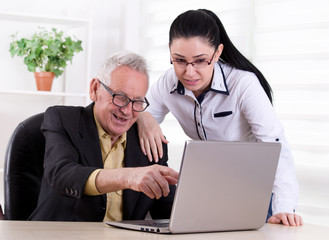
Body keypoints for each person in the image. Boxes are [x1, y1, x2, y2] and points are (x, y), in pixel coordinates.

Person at [137, 9, 303, 226]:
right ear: (170, 52)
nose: (189, 72)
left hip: (253, 192)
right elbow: (136, 111)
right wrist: (145, 117)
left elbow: (276, 146)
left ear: (217, 53)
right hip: (208, 192)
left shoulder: (243, 84)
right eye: (179, 60)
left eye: (200, 61)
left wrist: (284, 209)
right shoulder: (167, 83)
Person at [29, 52, 178, 221]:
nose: (127, 111)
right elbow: (62, 174)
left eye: (137, 102)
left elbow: (170, 215)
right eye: (120, 97)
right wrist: (128, 177)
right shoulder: (63, 119)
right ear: (95, 89)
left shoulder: (150, 142)